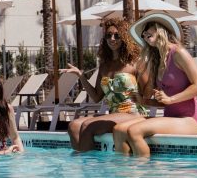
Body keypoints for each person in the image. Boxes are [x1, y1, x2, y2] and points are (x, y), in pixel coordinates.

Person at [114, 12, 197, 156]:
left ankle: (145, 175)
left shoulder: (178, 53)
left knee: (134, 131)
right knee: (119, 130)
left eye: (148, 29)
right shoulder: (158, 61)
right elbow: (165, 103)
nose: (144, 34)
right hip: (171, 118)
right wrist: (144, 101)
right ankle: (126, 174)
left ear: (160, 28)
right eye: (143, 34)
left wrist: (171, 99)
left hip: (188, 121)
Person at [62, 16, 147, 152]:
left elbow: (147, 93)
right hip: (113, 113)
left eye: (117, 35)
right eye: (108, 35)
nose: (112, 39)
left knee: (88, 126)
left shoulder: (135, 63)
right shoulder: (104, 66)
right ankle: (82, 165)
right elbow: (96, 97)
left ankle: (90, 169)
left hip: (133, 113)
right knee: (73, 125)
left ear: (125, 38)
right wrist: (80, 76)